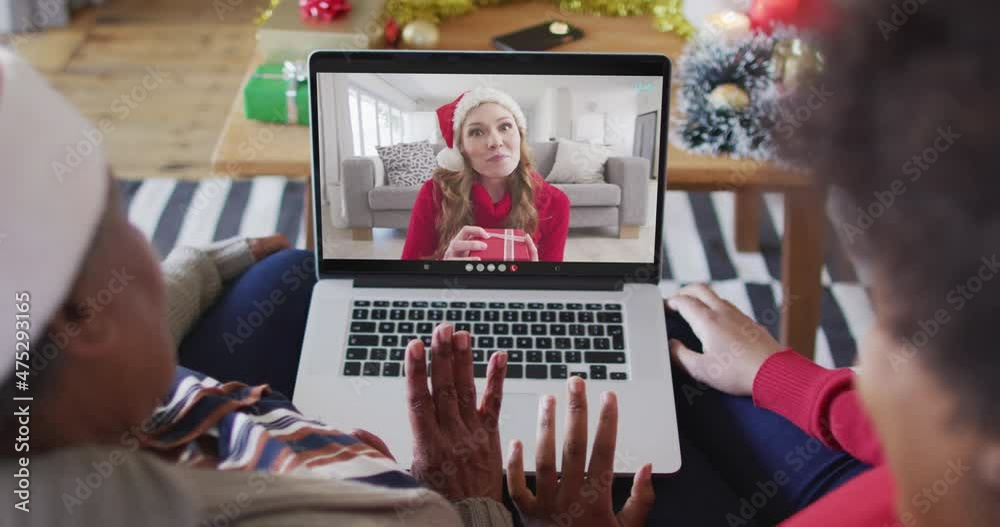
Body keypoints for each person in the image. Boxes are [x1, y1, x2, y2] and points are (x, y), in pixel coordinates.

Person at [0, 47, 515, 526]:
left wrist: (201, 263)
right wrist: (474, 501)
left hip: (227, 403)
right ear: (82, 318)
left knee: (290, 270)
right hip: (417, 478)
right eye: (120, 222)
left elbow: (127, 314)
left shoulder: (53, 420)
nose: (144, 248)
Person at [655, 0, 1000, 525]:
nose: (866, 364)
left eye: (901, 336)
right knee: (675, 334)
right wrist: (779, 375)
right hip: (879, 468)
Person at [401, 86, 571, 262]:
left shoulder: (555, 202)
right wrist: (443, 268)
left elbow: (551, 284)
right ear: (461, 149)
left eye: (505, 127)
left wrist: (537, 279)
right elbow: (406, 279)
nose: (495, 142)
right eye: (476, 132)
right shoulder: (434, 194)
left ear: (520, 136)